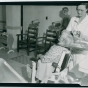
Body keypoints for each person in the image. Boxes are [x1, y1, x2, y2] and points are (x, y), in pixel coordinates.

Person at [60, 3, 88, 83]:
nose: (79, 12)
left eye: (81, 10)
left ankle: (79, 76)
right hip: (73, 44)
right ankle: (68, 74)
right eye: (78, 10)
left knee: (79, 60)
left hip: (85, 45)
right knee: (61, 53)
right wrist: (63, 36)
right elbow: (67, 31)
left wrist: (83, 36)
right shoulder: (73, 19)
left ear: (87, 9)